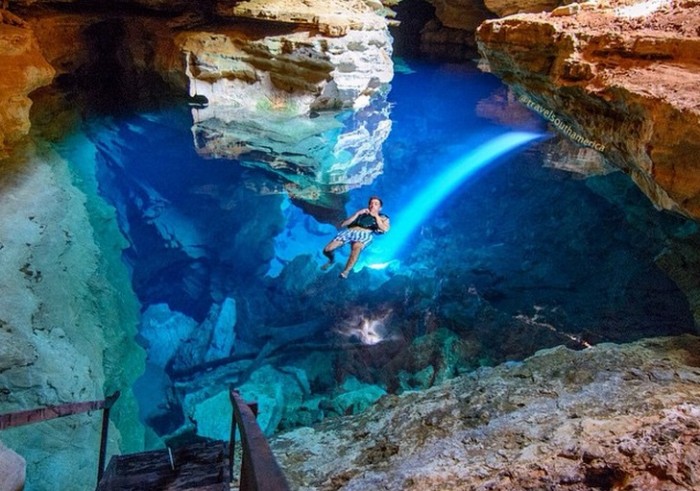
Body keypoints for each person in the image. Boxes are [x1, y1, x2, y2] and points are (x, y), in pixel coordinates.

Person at [322, 196, 390, 278]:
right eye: (371, 203)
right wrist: (357, 213)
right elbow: (344, 224)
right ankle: (331, 260)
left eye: (376, 204)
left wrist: (376, 216)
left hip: (364, 233)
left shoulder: (383, 217)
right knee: (327, 250)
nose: (372, 205)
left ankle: (346, 271)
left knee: (356, 249)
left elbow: (385, 229)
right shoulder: (361, 213)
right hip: (350, 231)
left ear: (380, 208)